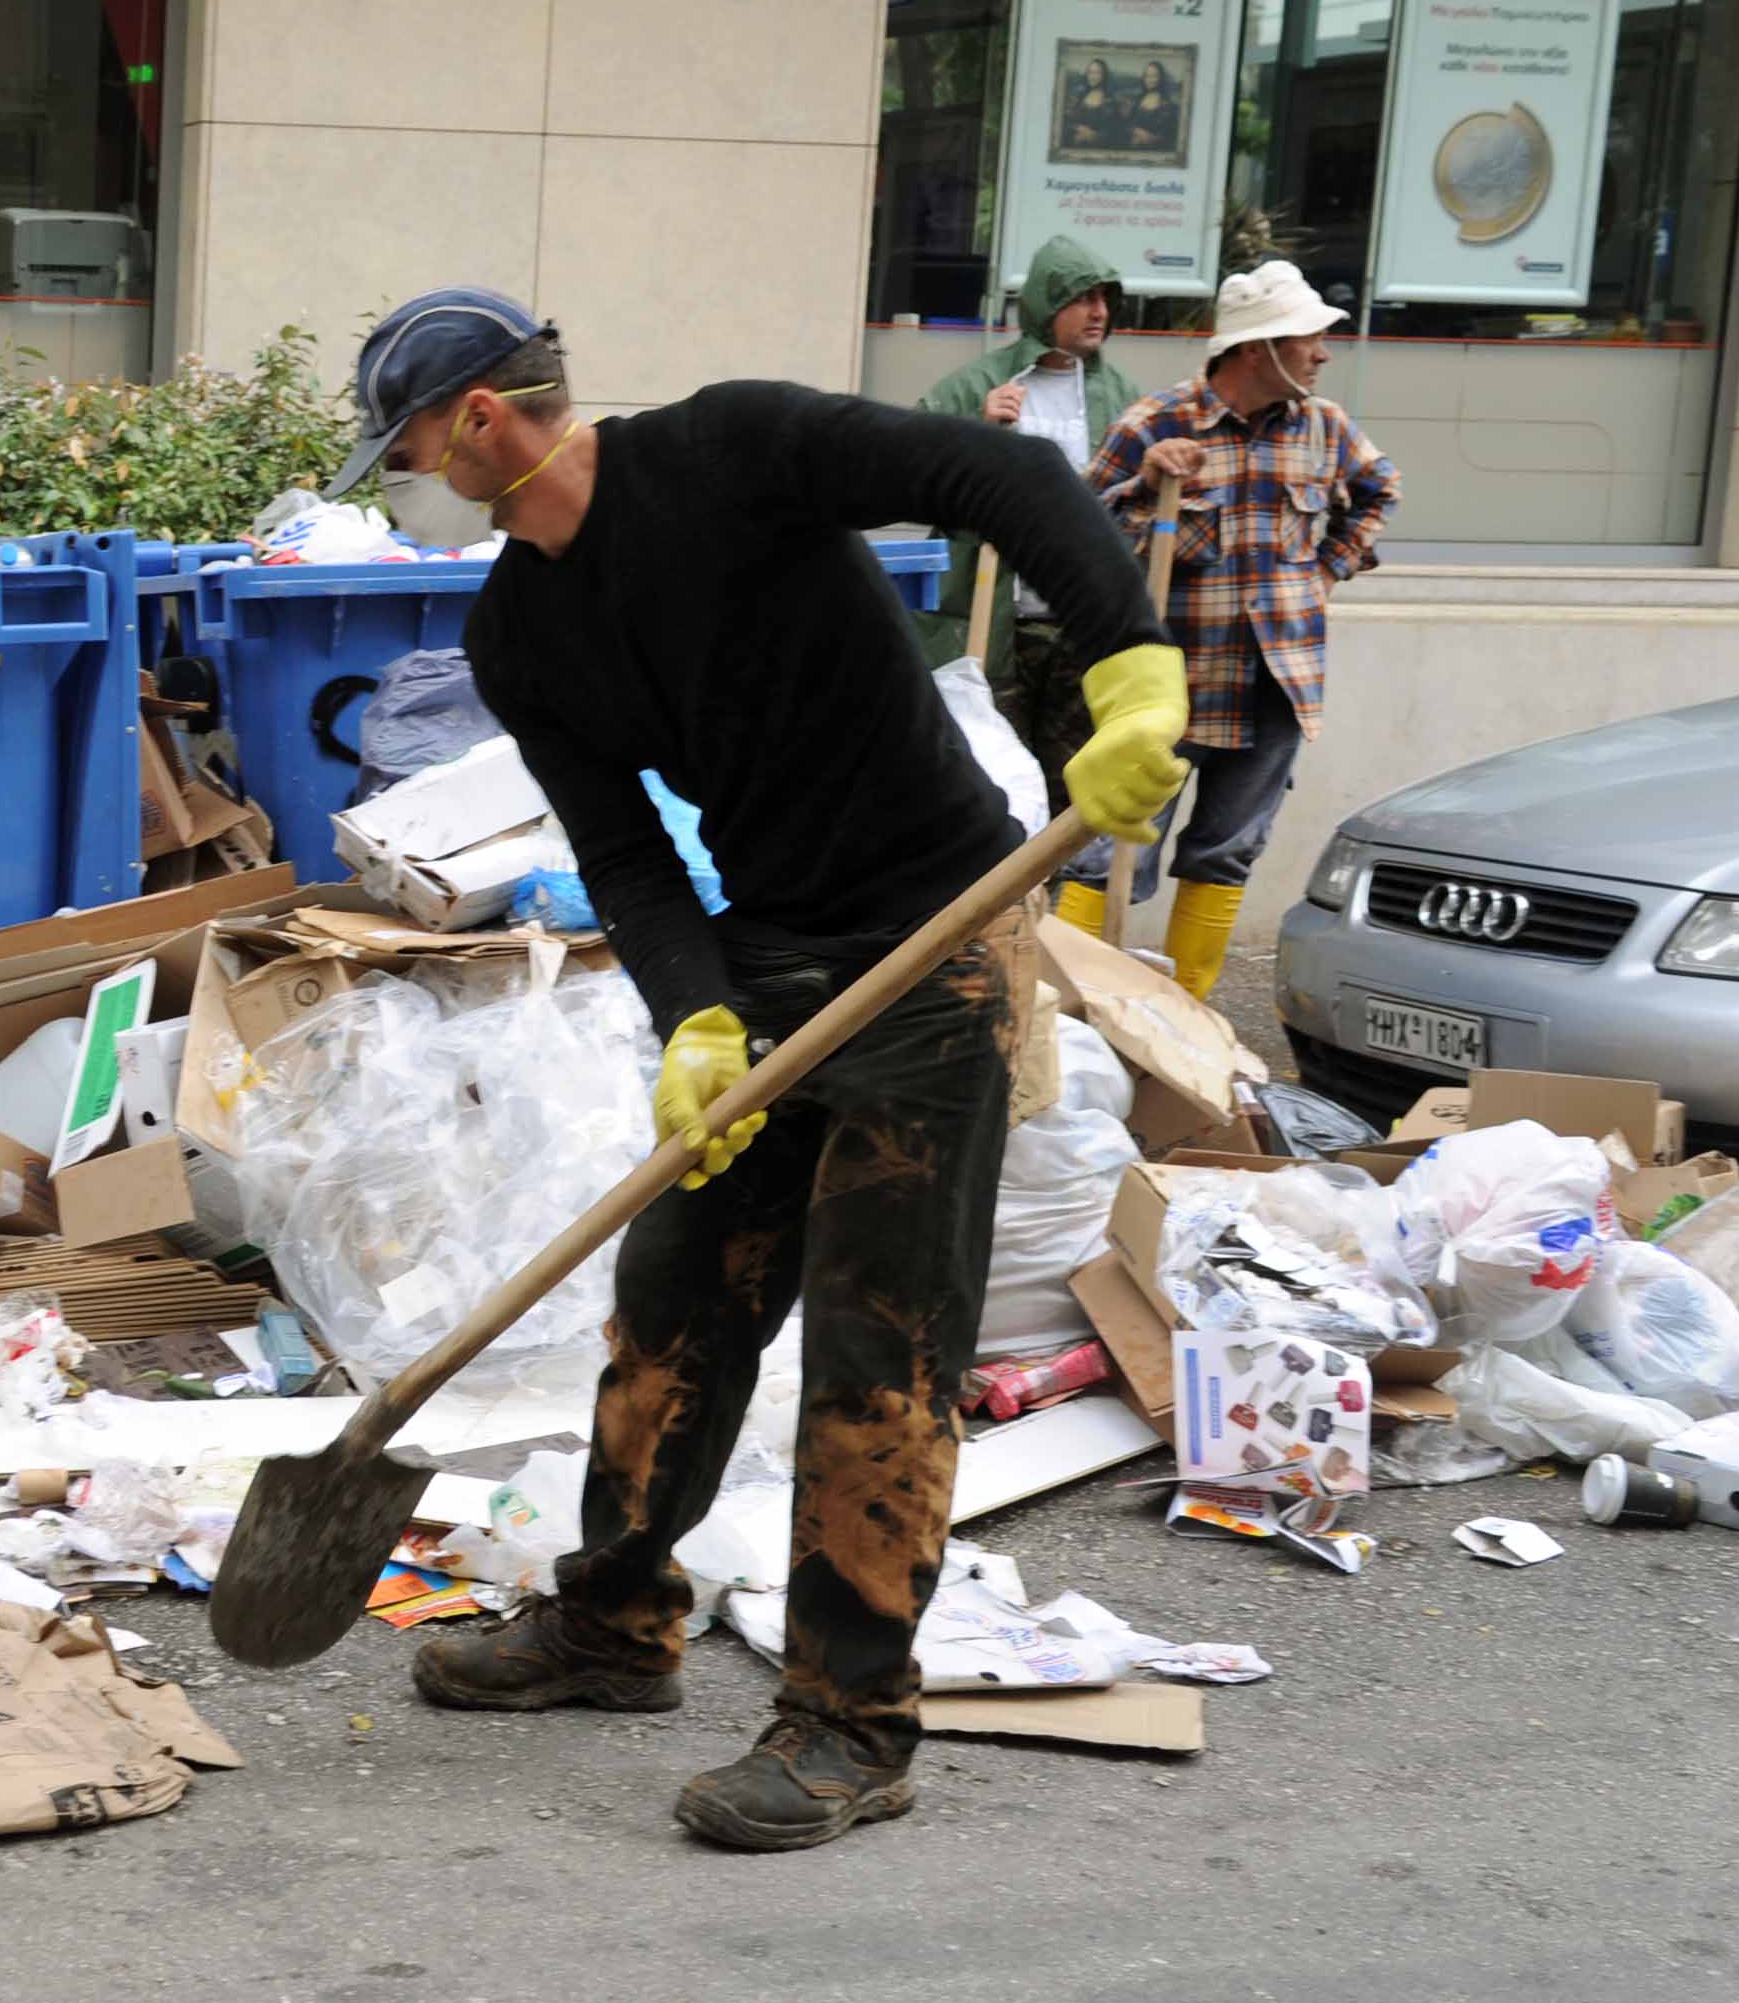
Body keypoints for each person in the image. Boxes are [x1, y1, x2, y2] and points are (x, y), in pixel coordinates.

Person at [347, 286, 1188, 1851]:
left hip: (943, 934)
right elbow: (624, 856)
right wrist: (696, 1019)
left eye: (403, 440)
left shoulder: (733, 450)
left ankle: (849, 1727)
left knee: (885, 1351)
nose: (401, 469)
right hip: (776, 949)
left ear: (479, 419)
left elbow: (1005, 481)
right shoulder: (517, 629)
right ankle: (613, 1626)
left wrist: (1129, 665)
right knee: (672, 1302)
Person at [1082, 259, 1399, 1000]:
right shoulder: (1155, 423)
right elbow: (1077, 531)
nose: (1323, 354)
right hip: (1166, 679)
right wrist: (1144, 486)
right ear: (1259, 349)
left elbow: (1380, 490)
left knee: (1225, 854)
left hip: (1273, 681)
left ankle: (1184, 1020)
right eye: (1311, 340)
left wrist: (1326, 571)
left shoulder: (1326, 429)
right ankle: (1078, 1017)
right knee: (1108, 852)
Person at [915, 239, 1141, 918]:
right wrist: (975, 435)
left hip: (1080, 622)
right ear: (1045, 303)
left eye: (1105, 298)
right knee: (992, 781)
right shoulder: (974, 386)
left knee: (1073, 791)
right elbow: (906, 478)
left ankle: (1058, 940)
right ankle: (988, 926)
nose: (1097, 312)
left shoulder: (1122, 399)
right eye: (1081, 297)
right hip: (995, 622)